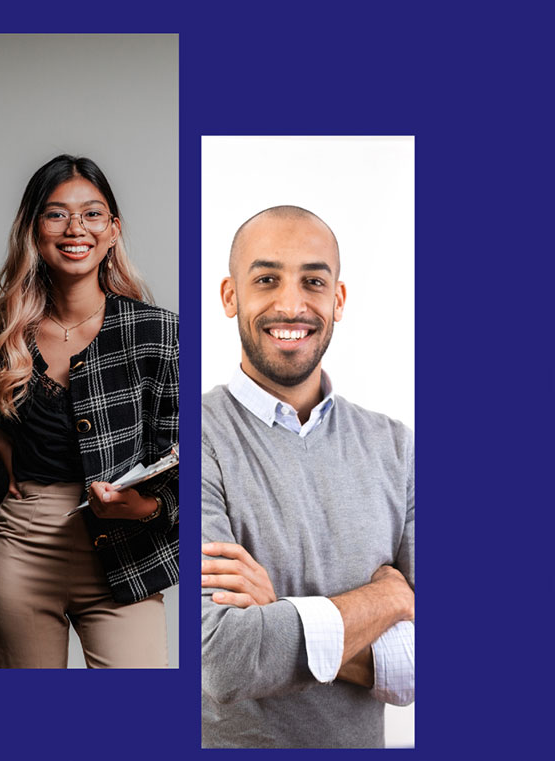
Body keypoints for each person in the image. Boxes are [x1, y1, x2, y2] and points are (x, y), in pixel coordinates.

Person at [0, 155, 179, 668]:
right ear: (33, 229)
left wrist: (145, 507)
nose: (76, 229)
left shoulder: (157, 332)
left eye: (92, 214)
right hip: (21, 545)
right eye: (56, 214)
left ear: (113, 230)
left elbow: (191, 458)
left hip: (124, 553)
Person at [200, 205, 415, 748]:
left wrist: (276, 615)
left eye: (313, 282)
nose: (291, 305)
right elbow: (223, 661)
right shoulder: (194, 439)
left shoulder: (398, 447)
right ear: (230, 295)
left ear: (338, 299)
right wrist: (388, 600)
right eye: (266, 279)